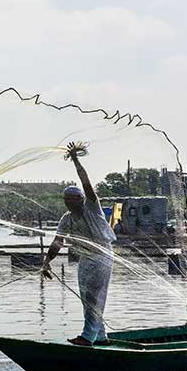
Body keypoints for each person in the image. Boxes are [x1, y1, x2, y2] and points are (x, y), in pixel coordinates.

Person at [42, 142, 117, 346]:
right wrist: (47, 261)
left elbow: (87, 184)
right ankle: (99, 336)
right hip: (85, 257)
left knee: (93, 296)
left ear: (81, 199)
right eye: (66, 199)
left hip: (102, 255)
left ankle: (87, 336)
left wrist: (75, 160)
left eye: (73, 199)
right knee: (86, 296)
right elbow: (58, 241)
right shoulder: (66, 218)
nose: (69, 202)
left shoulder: (92, 209)